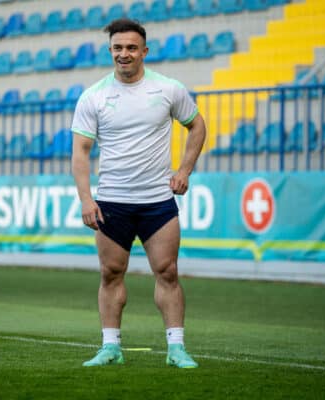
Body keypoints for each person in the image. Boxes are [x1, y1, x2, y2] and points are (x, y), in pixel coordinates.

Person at [71, 18, 207, 369]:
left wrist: (184, 170)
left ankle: (176, 348)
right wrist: (87, 199)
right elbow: (81, 152)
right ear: (110, 51)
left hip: (157, 201)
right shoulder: (94, 96)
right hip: (112, 201)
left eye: (131, 47)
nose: (124, 54)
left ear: (144, 51)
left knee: (168, 271)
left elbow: (197, 125)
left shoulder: (168, 89)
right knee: (110, 273)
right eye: (118, 48)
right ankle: (110, 347)